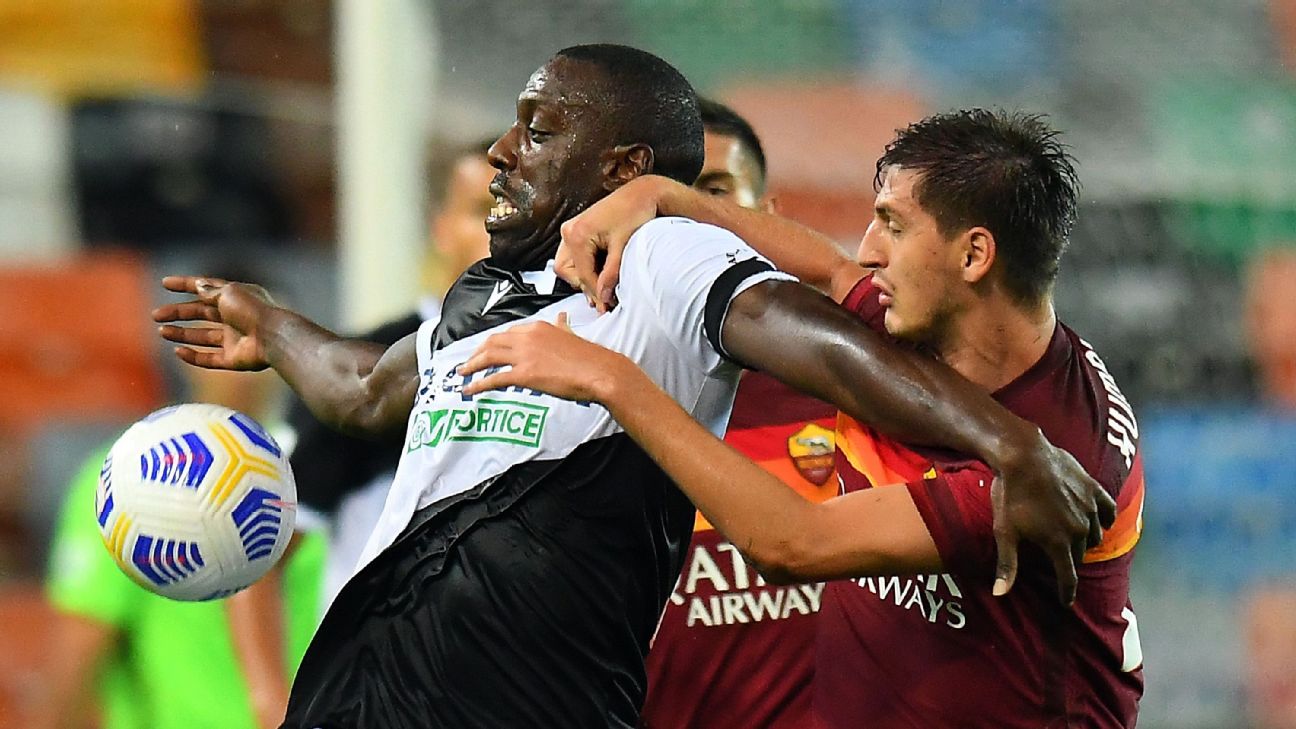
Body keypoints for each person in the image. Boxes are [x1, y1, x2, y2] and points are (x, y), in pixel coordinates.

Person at [153, 45, 1112, 728]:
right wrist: (273, 327)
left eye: (537, 130)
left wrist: (1008, 443)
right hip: (360, 692)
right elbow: (365, 387)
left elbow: (833, 354)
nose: (502, 152)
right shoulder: (485, 293)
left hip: (529, 702)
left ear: (620, 169)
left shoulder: (667, 261)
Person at [465, 108, 1145, 726]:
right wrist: (663, 199)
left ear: (973, 256)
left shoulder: (1050, 468)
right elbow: (828, 270)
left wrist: (610, 379)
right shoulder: (927, 332)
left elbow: (793, 544)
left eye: (894, 226)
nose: (870, 249)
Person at [641, 97, 832, 729]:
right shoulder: (595, 392)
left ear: (769, 219)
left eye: (715, 193)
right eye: (665, 197)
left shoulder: (848, 389)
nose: (689, 219)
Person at [33, 352, 324, 729]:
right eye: (220, 341)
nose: (243, 370)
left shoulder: (317, 477)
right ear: (187, 355)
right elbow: (76, 662)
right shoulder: (125, 483)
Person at [284, 139, 496, 608]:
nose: (500, 228)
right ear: (442, 229)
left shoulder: (580, 356)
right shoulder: (363, 368)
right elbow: (268, 551)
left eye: (514, 209)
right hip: (378, 654)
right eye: (482, 210)